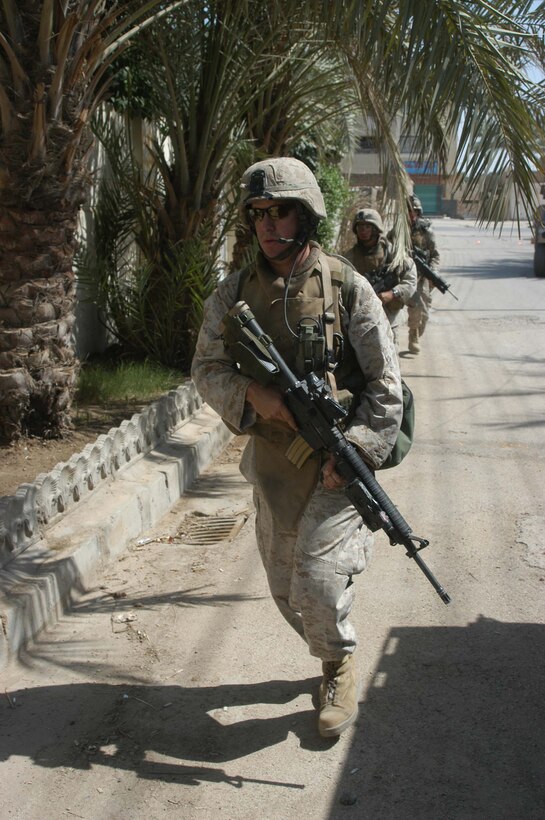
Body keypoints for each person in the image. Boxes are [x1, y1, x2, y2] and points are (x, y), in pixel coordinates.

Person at [191, 157, 403, 738]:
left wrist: (356, 448)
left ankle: (338, 664)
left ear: (305, 216)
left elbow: (386, 387)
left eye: (279, 210)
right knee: (286, 589)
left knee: (318, 577)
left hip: (335, 464)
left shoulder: (347, 287)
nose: (267, 223)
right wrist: (252, 394)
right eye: (258, 213)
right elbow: (206, 368)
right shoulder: (234, 292)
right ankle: (324, 644)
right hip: (273, 467)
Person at [344, 208, 416, 351]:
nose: (363, 231)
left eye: (367, 227)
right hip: (361, 319)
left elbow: (410, 278)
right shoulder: (350, 257)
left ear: (376, 229)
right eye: (359, 227)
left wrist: (393, 293)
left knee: (390, 357)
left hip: (389, 316)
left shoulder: (393, 254)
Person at [406, 195, 440, 354]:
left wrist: (432, 273)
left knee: (425, 313)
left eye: (414, 211)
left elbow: (435, 255)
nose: (411, 214)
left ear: (418, 212)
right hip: (405, 275)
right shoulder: (399, 230)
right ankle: (413, 335)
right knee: (415, 306)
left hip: (422, 275)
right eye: (409, 211)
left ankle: (416, 332)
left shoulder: (426, 230)